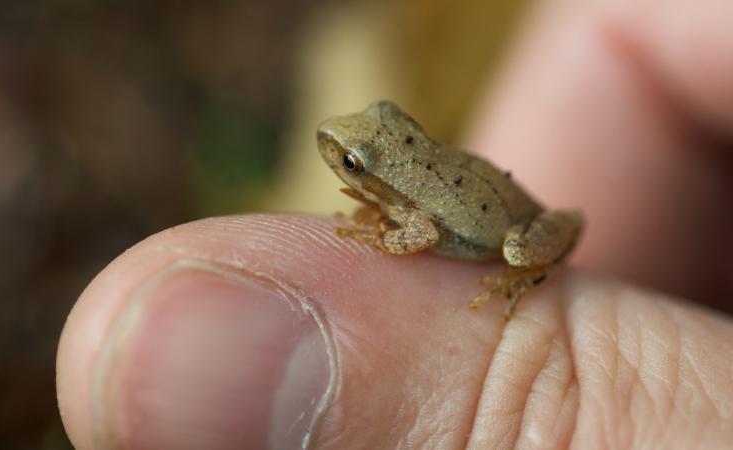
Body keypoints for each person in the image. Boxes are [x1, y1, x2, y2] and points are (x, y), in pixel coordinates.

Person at [56, 1, 733, 448]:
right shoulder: (398, 180)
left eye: (352, 162)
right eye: (355, 159)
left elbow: (426, 234)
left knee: (521, 245)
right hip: (478, 192)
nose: (342, 158)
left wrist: (381, 235)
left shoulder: (412, 205)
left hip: (507, 230)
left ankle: (536, 271)